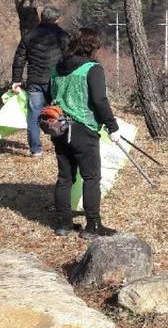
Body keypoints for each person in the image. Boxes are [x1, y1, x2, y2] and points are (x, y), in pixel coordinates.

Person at [50, 28, 121, 238]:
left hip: (59, 127)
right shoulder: (92, 69)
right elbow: (100, 101)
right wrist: (112, 126)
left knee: (65, 177)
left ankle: (64, 224)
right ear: (92, 47)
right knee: (91, 178)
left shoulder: (57, 68)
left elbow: (50, 96)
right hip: (83, 129)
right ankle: (93, 226)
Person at [11, 6, 70, 157]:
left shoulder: (29, 35)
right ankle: (61, 145)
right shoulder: (63, 36)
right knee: (58, 112)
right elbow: (69, 58)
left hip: (35, 80)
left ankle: (35, 149)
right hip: (56, 81)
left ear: (41, 17)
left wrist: (16, 80)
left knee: (34, 114)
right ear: (57, 19)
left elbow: (19, 58)